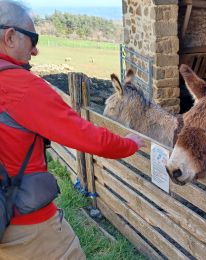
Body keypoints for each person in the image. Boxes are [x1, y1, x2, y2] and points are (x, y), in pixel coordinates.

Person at [0, 1, 145, 259]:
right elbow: (88, 136)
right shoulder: (22, 87)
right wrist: (130, 143)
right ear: (10, 36)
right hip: (27, 224)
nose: (35, 51)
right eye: (33, 39)